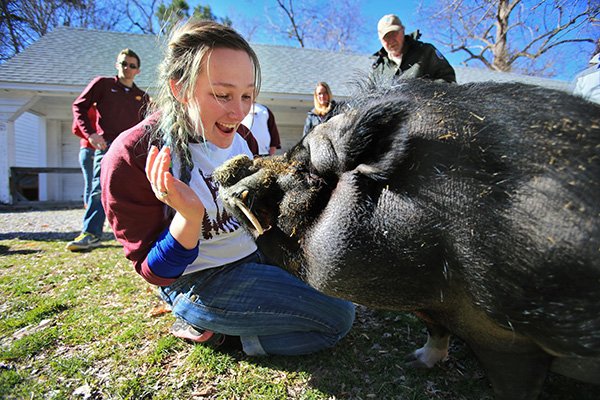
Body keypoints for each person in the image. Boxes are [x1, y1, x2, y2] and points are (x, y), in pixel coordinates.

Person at [100, 20, 355, 356]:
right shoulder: (132, 155)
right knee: (337, 319)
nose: (239, 112)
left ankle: (231, 327)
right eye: (222, 95)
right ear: (179, 88)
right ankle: (219, 335)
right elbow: (156, 273)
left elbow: (257, 216)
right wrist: (188, 217)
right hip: (202, 280)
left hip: (253, 254)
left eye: (248, 95)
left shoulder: (244, 139)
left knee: (342, 287)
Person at [66, 48, 150, 252]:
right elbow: (79, 106)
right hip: (108, 146)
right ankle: (91, 234)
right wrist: (91, 134)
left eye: (132, 65)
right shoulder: (102, 85)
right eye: (123, 63)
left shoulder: (142, 96)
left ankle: (139, 235)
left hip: (133, 150)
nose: (127, 68)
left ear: (138, 70)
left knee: (139, 190)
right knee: (98, 188)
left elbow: (147, 124)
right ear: (117, 65)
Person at [370, 14, 456, 83]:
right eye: (386, 37)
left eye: (394, 34)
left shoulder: (426, 51)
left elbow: (449, 81)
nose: (391, 40)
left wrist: (424, 91)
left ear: (403, 30)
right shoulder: (378, 69)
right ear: (380, 40)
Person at [73, 106, 97, 208]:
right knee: (91, 181)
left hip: (100, 150)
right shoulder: (88, 109)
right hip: (89, 150)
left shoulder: (102, 108)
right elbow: (76, 129)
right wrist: (91, 138)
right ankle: (89, 208)